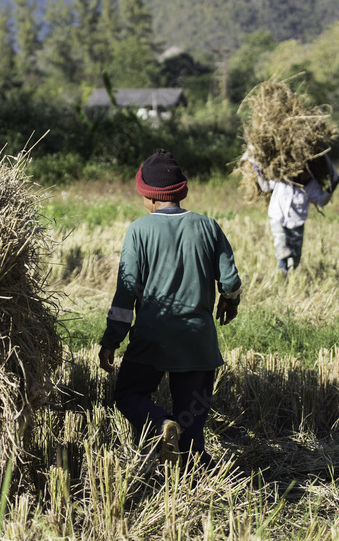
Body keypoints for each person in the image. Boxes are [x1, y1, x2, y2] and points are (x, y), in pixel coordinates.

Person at [98, 149, 243, 470]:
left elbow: (126, 292)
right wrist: (229, 302)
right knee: (190, 426)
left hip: (151, 339)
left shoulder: (139, 230)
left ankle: (160, 424)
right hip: (198, 343)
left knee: (129, 395)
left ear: (149, 196)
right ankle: (194, 481)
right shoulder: (208, 227)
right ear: (182, 192)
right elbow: (231, 282)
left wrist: (112, 339)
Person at [253, 151, 339, 273]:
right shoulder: (282, 177)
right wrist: (260, 173)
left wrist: (331, 187)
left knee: (295, 259)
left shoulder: (311, 185)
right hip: (278, 217)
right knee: (282, 248)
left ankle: (289, 274)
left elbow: (321, 201)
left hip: (297, 223)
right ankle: (282, 273)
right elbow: (266, 187)